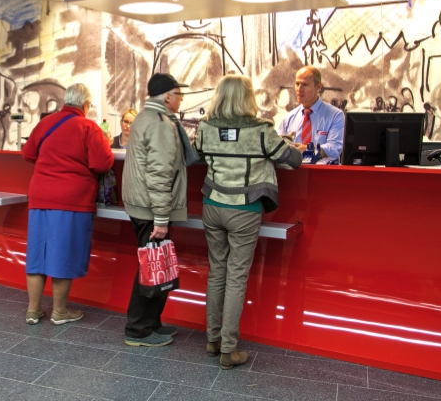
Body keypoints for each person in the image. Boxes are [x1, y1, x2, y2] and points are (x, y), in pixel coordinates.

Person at [194, 75, 302, 370]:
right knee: (236, 277)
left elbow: (198, 155)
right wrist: (293, 146)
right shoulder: (262, 130)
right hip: (244, 208)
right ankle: (229, 350)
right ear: (247, 98)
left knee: (217, 272)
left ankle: (212, 340)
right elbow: (292, 160)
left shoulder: (205, 128)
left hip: (212, 205)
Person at [21, 83, 114, 326]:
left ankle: (33, 310)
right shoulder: (88, 127)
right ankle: (60, 312)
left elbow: (28, 154)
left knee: (37, 254)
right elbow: (102, 163)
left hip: (40, 196)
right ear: (85, 105)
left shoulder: (46, 123)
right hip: (71, 200)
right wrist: (105, 141)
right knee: (62, 254)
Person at [122, 73, 199, 347]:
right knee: (151, 267)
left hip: (141, 205)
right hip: (151, 209)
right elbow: (159, 173)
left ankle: (152, 323)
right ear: (167, 96)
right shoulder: (160, 124)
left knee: (155, 265)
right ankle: (137, 330)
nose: (180, 99)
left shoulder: (144, 117)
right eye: (179, 94)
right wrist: (162, 217)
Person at [277, 65, 344, 160]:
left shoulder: (335, 115)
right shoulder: (288, 118)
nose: (299, 89)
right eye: (297, 84)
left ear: (318, 87)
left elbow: (335, 148)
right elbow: (277, 147)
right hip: (295, 172)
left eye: (305, 84)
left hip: (322, 173)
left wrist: (308, 150)